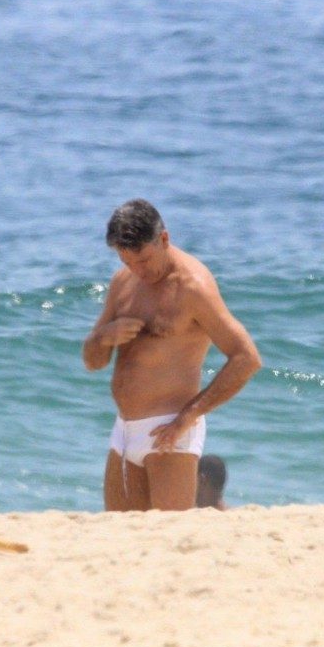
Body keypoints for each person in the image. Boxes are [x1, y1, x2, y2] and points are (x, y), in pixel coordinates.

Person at [83, 199, 261, 511]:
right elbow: (93, 362)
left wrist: (187, 418)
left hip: (170, 432)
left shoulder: (193, 287)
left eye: (145, 261)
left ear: (163, 239)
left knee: (169, 539)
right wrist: (103, 337)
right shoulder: (122, 282)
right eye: (128, 262)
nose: (138, 271)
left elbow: (246, 358)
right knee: (121, 538)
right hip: (123, 432)